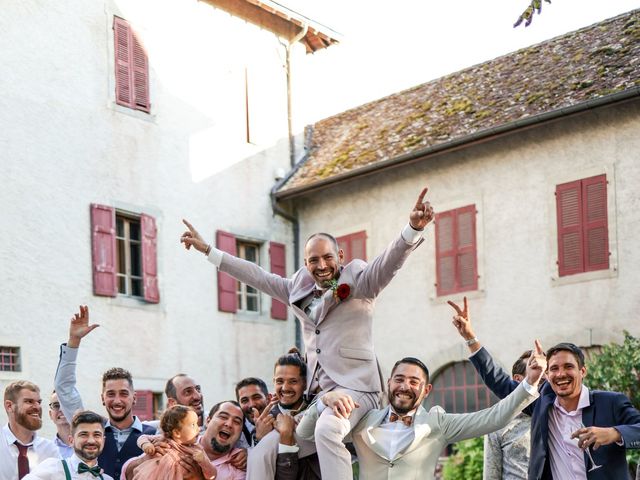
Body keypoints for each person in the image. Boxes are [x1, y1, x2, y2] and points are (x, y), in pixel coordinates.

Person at [181, 187, 434, 480]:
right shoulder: (296, 290)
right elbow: (257, 276)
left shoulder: (362, 283)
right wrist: (209, 252)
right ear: (306, 264)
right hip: (318, 398)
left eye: (327, 258)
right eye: (314, 260)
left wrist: (413, 228)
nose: (322, 265)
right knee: (265, 449)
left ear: (339, 255)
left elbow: (389, 262)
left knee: (328, 429)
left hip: (358, 390)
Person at [449, 297, 640, 480]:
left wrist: (614, 433)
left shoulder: (610, 402)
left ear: (583, 371)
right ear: (547, 375)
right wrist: (470, 337)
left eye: (568, 367)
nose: (560, 374)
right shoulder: (542, 404)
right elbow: (499, 381)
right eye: (554, 369)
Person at [296, 352, 544, 480]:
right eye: (400, 379)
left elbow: (494, 418)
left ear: (426, 390)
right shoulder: (362, 419)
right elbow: (305, 434)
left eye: (414, 382)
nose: (405, 386)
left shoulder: (438, 424)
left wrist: (530, 383)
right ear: (389, 383)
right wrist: (323, 401)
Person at [54, 305, 156, 479]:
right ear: (102, 398)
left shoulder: (154, 434)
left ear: (134, 398)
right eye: (110, 394)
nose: (117, 400)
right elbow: (64, 388)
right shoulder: (93, 427)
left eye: (123, 393)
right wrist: (74, 341)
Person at [246, 348, 320, 480]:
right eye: (280, 381)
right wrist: (260, 440)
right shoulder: (264, 423)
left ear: (305, 384)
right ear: (273, 382)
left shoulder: (318, 409)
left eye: (293, 381)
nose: (285, 388)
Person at [125, 405, 217, 480]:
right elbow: (143, 437)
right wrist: (146, 445)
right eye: (193, 425)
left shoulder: (196, 450)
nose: (198, 428)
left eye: (197, 423)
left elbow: (212, 475)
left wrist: (203, 461)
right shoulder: (162, 440)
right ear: (177, 432)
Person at [483, 350, 532, 480]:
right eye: (535, 370)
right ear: (517, 379)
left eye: (546, 371)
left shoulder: (556, 416)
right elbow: (491, 475)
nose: (543, 376)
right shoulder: (498, 424)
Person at [23, 410, 113, 479]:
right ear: (71, 440)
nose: (91, 440)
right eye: (83, 434)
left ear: (103, 441)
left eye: (97, 435)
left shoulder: (107, 479)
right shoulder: (53, 468)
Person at [1, 381, 59, 480]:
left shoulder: (50, 450)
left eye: (39, 402)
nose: (37, 407)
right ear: (9, 406)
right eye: (29, 401)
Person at [235, 378, 273, 448]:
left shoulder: (282, 423)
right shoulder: (236, 431)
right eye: (244, 400)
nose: (252, 405)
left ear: (269, 399)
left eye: (256, 397)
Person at [48, 391, 73, 459]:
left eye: (67, 404)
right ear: (50, 414)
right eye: (56, 405)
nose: (62, 409)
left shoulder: (90, 445)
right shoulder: (47, 450)